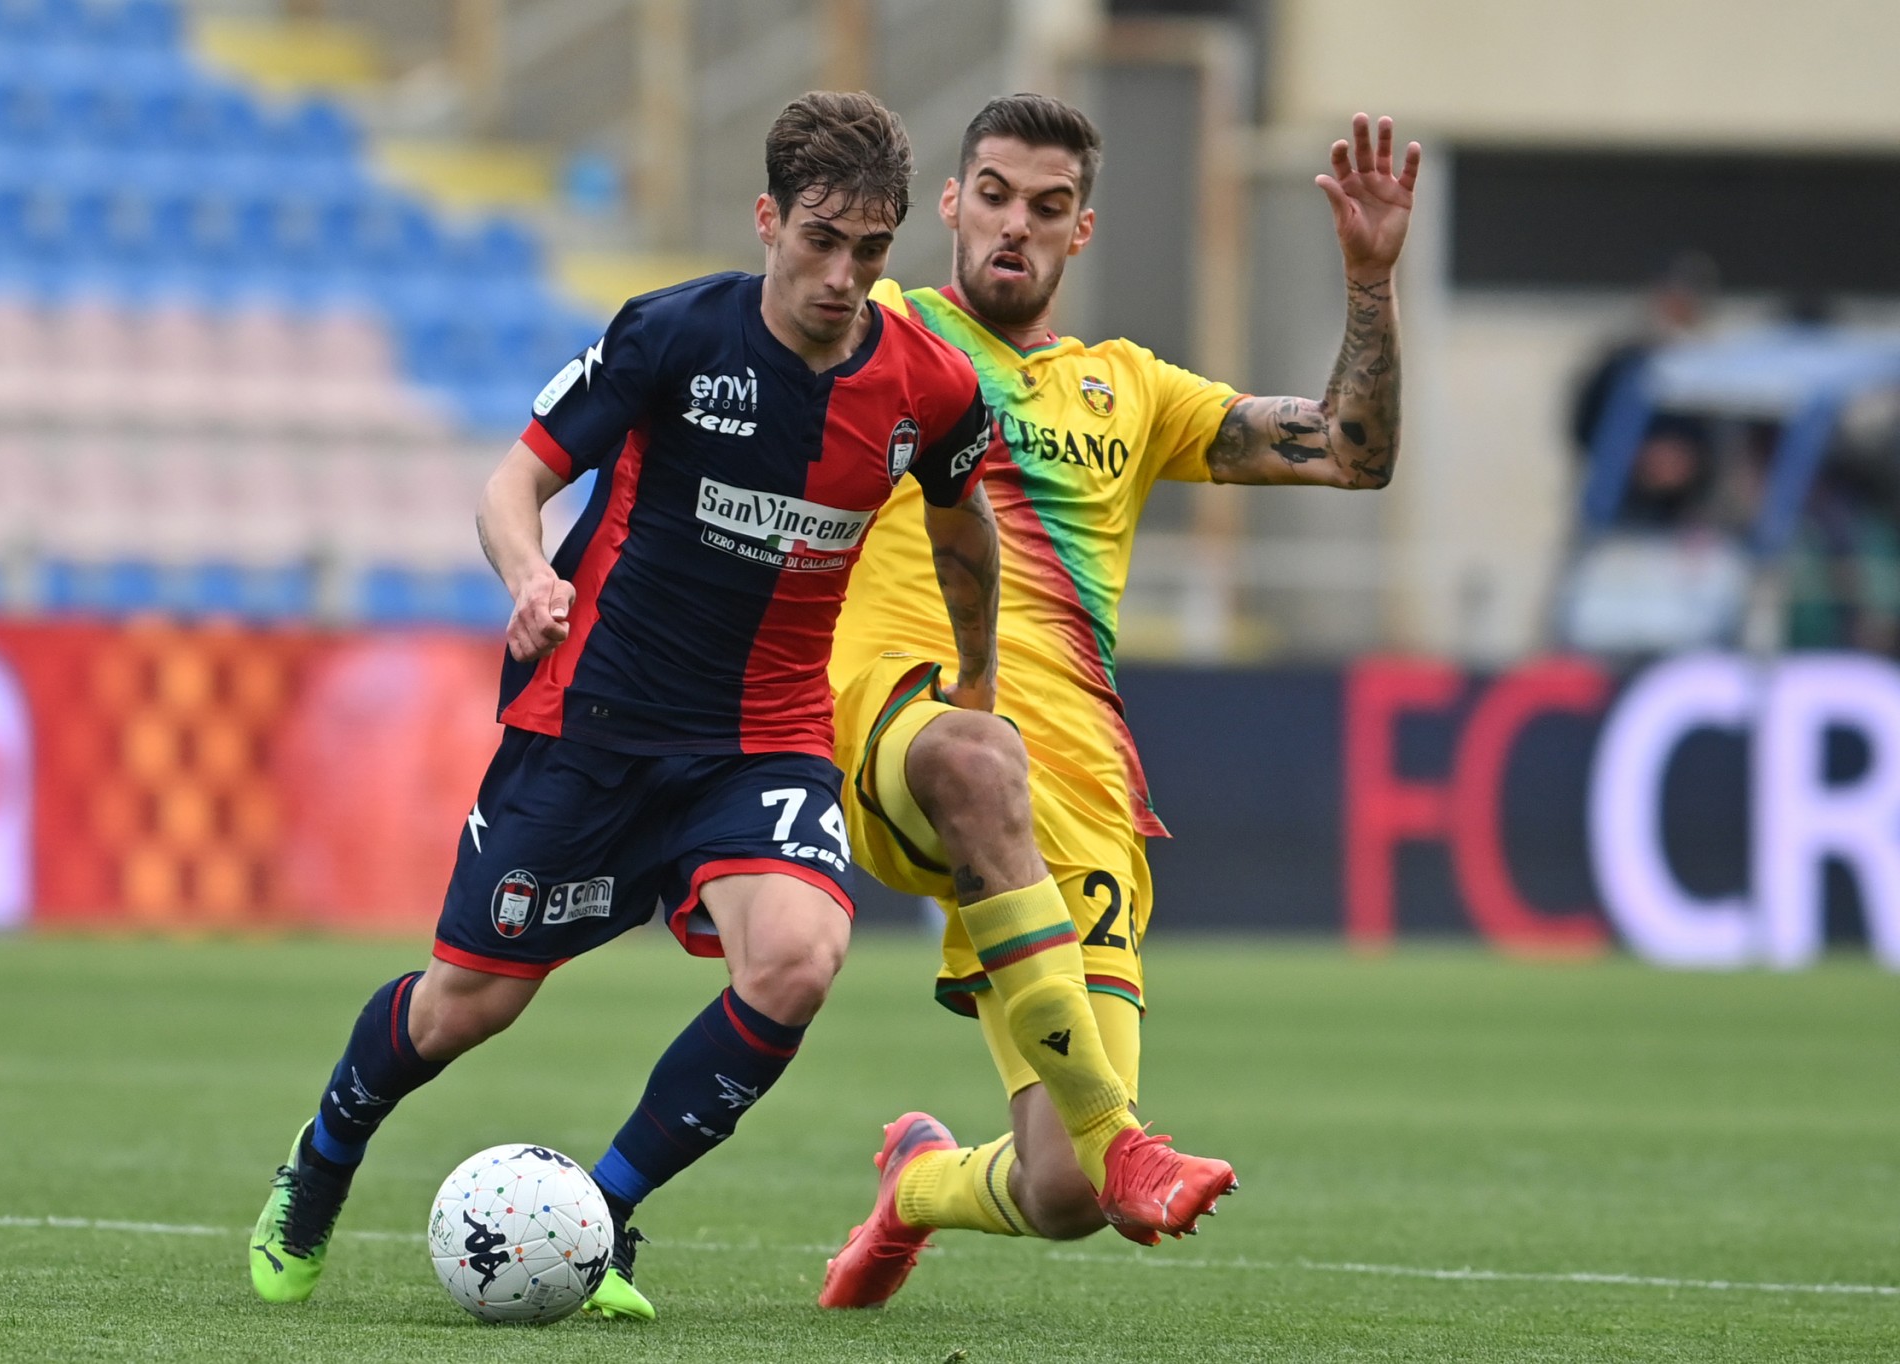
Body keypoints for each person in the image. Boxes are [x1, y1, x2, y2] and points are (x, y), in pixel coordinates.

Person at [247, 91, 1002, 1322]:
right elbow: (513, 482)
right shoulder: (671, 335)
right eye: (820, 240)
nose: (842, 275)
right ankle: (323, 1155)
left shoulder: (929, 385)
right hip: (591, 724)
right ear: (767, 219)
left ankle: (597, 1218)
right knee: (467, 1004)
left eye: (870, 250)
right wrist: (528, 575)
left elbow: (963, 528)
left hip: (762, 739)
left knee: (798, 958)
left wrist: (978, 678)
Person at [813, 96, 1418, 1309]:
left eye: (1045, 207)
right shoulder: (877, 335)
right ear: (950, 203)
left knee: (1062, 1191)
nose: (1014, 226)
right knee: (973, 757)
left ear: (1079, 229)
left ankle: (920, 1181)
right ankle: (1126, 1136)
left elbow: (1351, 450)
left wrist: (1367, 281)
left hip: (1077, 792)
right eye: (992, 195)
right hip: (909, 720)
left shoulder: (1128, 389)